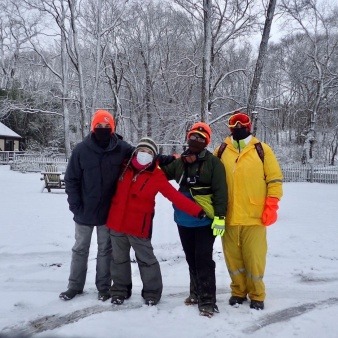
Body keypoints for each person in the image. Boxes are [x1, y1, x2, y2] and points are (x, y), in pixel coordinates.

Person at [105, 137, 206, 306]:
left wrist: (197, 211)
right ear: (136, 152)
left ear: (154, 156)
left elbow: (176, 197)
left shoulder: (156, 175)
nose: (145, 154)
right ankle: (120, 290)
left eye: (149, 152)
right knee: (118, 259)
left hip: (139, 226)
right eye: (142, 151)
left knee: (147, 260)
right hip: (116, 224)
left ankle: (152, 292)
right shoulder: (123, 168)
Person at [59, 109, 134, 302]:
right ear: (93, 127)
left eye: (107, 126)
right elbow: (71, 179)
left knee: (105, 250)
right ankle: (74, 286)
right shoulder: (81, 149)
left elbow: (143, 155)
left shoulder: (121, 148)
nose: (103, 129)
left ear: (112, 128)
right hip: (84, 210)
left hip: (108, 211)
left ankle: (103, 287)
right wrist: (75, 205)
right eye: (99, 126)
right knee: (80, 248)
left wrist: (169, 161)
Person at [214, 111, 283, 310]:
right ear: (229, 127)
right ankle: (238, 291)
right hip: (229, 216)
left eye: (242, 122)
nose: (238, 126)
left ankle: (257, 294)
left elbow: (274, 180)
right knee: (232, 258)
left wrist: (271, 205)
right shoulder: (221, 150)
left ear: (249, 125)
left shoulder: (262, 150)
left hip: (255, 216)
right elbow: (206, 172)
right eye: (233, 122)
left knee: (255, 258)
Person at [162, 122, 227, 317]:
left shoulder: (214, 163)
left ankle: (208, 300)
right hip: (183, 220)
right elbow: (160, 176)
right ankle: (196, 293)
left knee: (203, 259)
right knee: (191, 258)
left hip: (205, 220)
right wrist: (157, 160)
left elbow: (221, 192)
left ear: (206, 141)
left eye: (200, 137)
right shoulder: (180, 162)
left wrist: (220, 217)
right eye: (193, 136)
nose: (195, 140)